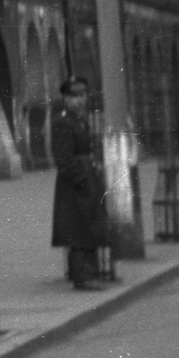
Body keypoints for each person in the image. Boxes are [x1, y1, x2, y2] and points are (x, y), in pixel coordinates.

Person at [50, 76, 105, 290]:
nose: (79, 100)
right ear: (65, 98)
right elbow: (63, 157)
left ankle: (86, 274)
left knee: (86, 228)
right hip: (74, 185)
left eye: (82, 95)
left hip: (84, 179)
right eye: (74, 96)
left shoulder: (78, 119)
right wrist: (81, 180)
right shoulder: (63, 121)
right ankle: (83, 277)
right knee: (79, 230)